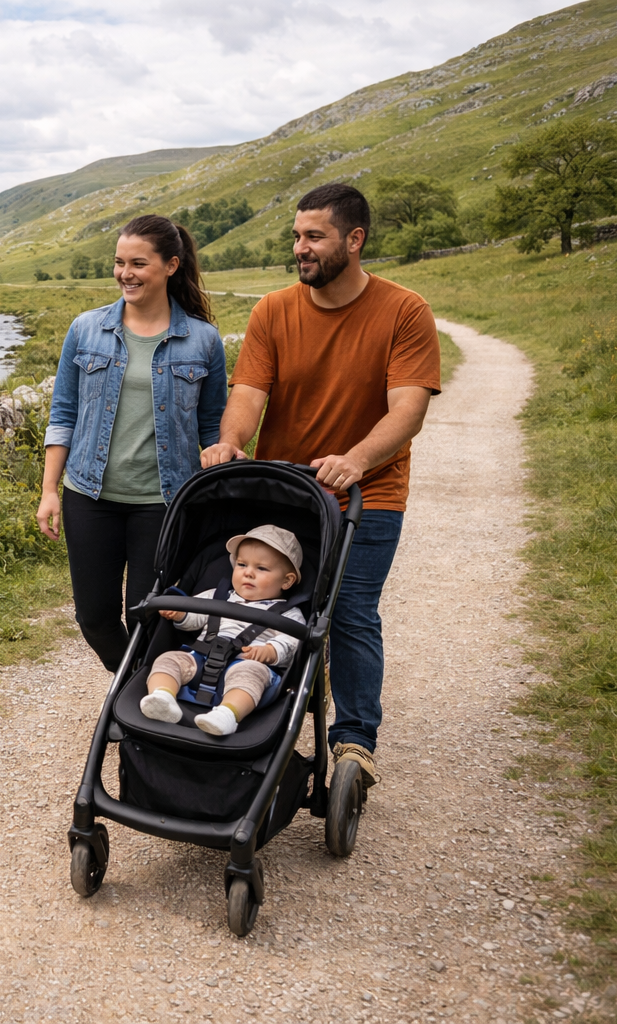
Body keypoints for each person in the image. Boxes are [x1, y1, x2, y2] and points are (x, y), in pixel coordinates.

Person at [202, 183, 441, 788]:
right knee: (274, 609)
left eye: (314, 237)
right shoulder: (274, 311)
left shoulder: (404, 311)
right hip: (289, 492)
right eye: (296, 237)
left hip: (369, 492)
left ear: (354, 240)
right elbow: (249, 394)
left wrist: (357, 459)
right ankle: (253, 715)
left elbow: (407, 408)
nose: (300, 248)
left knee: (351, 612)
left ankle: (355, 742)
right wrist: (232, 443)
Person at [36, 214, 227, 672]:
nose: (125, 273)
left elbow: (213, 430)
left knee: (147, 617)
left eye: (138, 263)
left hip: (164, 502)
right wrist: (48, 491)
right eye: (119, 262)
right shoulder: (86, 329)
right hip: (89, 495)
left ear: (171, 266)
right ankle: (135, 689)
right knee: (94, 617)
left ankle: (135, 709)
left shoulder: (203, 340)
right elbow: (63, 414)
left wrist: (215, 503)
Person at [141, 526, 306, 737]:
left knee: (249, 674)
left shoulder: (288, 613)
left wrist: (271, 651)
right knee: (169, 659)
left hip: (247, 663)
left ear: (287, 580)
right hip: (201, 658)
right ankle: (162, 697)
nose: (248, 572)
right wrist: (180, 615)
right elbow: (195, 617)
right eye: (242, 564)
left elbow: (292, 642)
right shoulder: (217, 596)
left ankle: (227, 714)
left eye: (262, 568)